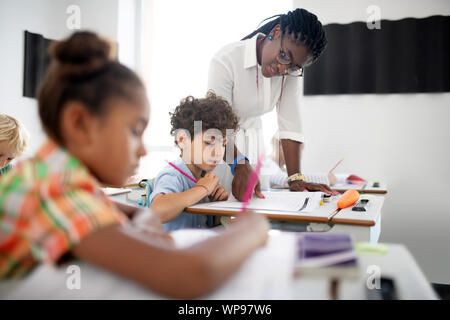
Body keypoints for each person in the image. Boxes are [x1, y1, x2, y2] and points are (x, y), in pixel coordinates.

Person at [0, 31, 269, 298]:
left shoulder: (49, 176)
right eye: (134, 131)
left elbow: (138, 214)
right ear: (79, 124)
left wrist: (142, 219)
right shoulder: (52, 192)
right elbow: (188, 275)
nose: (142, 150)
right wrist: (253, 228)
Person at [207, 8, 333, 200]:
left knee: (254, 215)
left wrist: (295, 179)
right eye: (284, 55)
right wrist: (239, 164)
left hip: (253, 147)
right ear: (275, 33)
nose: (283, 68)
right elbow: (215, 125)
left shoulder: (290, 73)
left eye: (293, 67)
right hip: (217, 146)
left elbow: (290, 124)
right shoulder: (227, 60)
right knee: (216, 215)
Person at [150, 92, 239, 231]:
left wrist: (217, 206)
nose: (218, 152)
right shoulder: (173, 175)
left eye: (223, 144)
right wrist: (201, 189)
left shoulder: (204, 178)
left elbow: (207, 226)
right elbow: (157, 211)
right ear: (182, 140)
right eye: (210, 142)